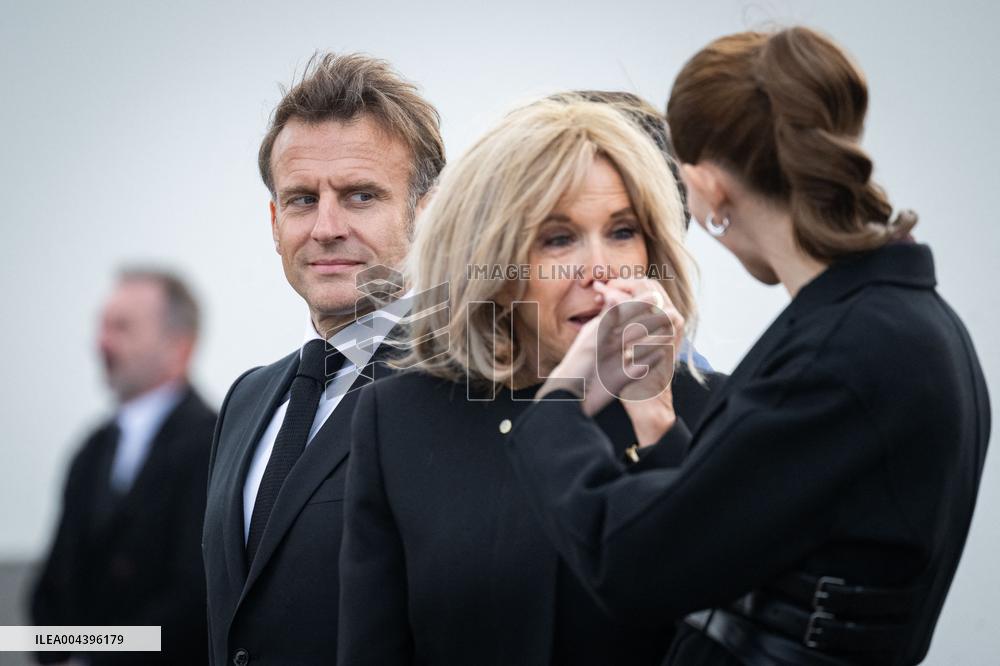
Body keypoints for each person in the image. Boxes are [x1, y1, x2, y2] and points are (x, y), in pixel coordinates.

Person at [502, 27, 991, 666]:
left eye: (624, 229)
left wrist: (563, 397)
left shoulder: (845, 354)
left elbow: (636, 565)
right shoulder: (901, 322)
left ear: (709, 187)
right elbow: (728, 526)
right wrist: (654, 412)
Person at [338, 97, 725, 666]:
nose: (601, 269)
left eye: (622, 231)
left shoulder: (712, 407)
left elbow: (724, 606)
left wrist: (658, 422)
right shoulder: (398, 418)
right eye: (558, 239)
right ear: (490, 260)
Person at [201, 52, 445, 666]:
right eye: (303, 199)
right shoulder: (247, 400)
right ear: (274, 219)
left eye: (361, 195)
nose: (326, 226)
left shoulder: (472, 384)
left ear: (428, 210)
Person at [30, 268, 216, 666]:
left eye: (122, 327)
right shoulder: (90, 451)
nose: (101, 342)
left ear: (178, 347)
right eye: (102, 326)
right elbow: (50, 588)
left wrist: (94, 660)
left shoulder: (214, 444)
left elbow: (195, 599)